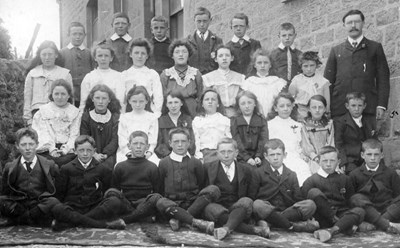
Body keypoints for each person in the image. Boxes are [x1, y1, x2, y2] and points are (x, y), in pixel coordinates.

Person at [324, 9, 390, 124]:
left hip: (367, 108)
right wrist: (327, 106)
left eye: (357, 22)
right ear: (344, 25)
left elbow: (383, 79)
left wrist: (381, 105)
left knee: (367, 142)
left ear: (363, 23)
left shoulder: (375, 48)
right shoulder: (336, 51)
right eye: (349, 23)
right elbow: (328, 81)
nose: (353, 26)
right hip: (340, 108)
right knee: (341, 141)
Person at [51, 135, 125, 231]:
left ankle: (72, 223)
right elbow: (60, 194)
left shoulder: (103, 169)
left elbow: (107, 192)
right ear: (75, 151)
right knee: (57, 208)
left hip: (94, 208)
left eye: (89, 150)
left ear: (94, 151)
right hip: (73, 207)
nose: (85, 154)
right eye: (81, 150)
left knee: (114, 202)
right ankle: (103, 225)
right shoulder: (66, 168)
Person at [203, 138, 269, 240]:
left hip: (238, 207)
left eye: (229, 151)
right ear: (217, 153)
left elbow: (251, 193)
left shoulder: (246, 169)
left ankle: (226, 228)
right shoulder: (207, 168)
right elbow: (204, 190)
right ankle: (252, 230)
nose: (226, 155)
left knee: (247, 201)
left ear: (236, 153)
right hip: (218, 207)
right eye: (222, 152)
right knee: (209, 208)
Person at [156, 128, 216, 234]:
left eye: (183, 141)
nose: (180, 145)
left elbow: (201, 183)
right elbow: (160, 186)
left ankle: (180, 219)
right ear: (170, 143)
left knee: (213, 189)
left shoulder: (196, 162)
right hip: (173, 206)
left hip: (193, 204)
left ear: (189, 143)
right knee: (160, 201)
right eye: (176, 141)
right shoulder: (163, 163)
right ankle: (195, 221)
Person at [251, 139, 318, 234]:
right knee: (257, 204)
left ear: (285, 155)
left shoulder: (291, 174)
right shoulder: (258, 173)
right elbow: (252, 195)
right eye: (272, 155)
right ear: (266, 156)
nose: (275, 158)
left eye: (278, 154)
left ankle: (272, 223)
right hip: (267, 210)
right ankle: (292, 226)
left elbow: (297, 198)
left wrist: (300, 208)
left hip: (287, 211)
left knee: (310, 204)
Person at [302, 146, 366, 243]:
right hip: (322, 217)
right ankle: (343, 226)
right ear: (318, 161)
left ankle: (331, 231)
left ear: (338, 161)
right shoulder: (311, 181)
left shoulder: (345, 179)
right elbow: (305, 203)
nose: (328, 164)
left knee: (359, 211)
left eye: (332, 161)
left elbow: (350, 200)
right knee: (314, 192)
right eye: (325, 161)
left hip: (341, 214)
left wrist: (350, 214)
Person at [0, 128, 60, 227]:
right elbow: (5, 191)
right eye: (23, 145)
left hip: (39, 205)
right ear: (17, 146)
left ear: (37, 144)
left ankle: (20, 220)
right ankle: (31, 220)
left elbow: (58, 189)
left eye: (31, 144)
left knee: (53, 202)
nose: (28, 148)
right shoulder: (10, 167)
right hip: (19, 205)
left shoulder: (49, 165)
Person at [108, 131, 162, 224]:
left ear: (147, 147)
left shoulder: (152, 167)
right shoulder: (120, 166)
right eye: (135, 143)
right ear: (129, 146)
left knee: (156, 198)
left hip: (144, 203)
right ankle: (139, 216)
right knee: (111, 195)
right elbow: (115, 190)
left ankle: (126, 219)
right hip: (126, 203)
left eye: (142, 144)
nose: (138, 147)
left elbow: (157, 191)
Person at [349, 139, 400, 234]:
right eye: (369, 154)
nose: (372, 158)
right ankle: (386, 225)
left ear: (382, 155)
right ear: (362, 155)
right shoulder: (354, 174)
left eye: (376, 155)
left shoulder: (390, 173)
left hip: (387, 210)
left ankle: (378, 223)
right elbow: (351, 199)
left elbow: (397, 195)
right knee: (355, 198)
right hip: (366, 211)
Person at [32, 79, 79, 167]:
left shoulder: (74, 112)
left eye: (63, 94)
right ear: (52, 95)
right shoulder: (43, 111)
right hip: (46, 149)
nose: (59, 97)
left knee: (68, 164)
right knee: (46, 163)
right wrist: (51, 149)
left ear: (69, 95)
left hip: (68, 150)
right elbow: (42, 133)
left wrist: (65, 149)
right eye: (56, 94)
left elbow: (75, 135)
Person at [23, 40, 73, 125]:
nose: (47, 58)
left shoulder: (65, 74)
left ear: (56, 55)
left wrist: (69, 117)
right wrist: (28, 120)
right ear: (40, 56)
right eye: (44, 54)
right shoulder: (32, 73)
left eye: (50, 54)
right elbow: (27, 98)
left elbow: (70, 98)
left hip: (59, 114)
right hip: (37, 114)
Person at [268, 92, 311, 186]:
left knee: (303, 169)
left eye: (288, 105)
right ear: (276, 108)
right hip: (278, 157)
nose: (285, 109)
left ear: (292, 107)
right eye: (282, 106)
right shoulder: (270, 125)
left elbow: (301, 144)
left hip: (295, 156)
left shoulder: (298, 125)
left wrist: (302, 154)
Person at [334, 92, 377, 174]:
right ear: (347, 106)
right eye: (353, 105)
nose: (357, 109)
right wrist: (343, 162)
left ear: (364, 106)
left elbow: (375, 142)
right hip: (351, 160)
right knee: (357, 176)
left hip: (368, 158)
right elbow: (339, 144)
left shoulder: (369, 121)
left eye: (360, 105)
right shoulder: (341, 122)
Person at [80, 84, 121, 170]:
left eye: (104, 98)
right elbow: (84, 137)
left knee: (107, 167)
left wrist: (106, 154)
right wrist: (94, 154)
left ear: (109, 100)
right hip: (89, 153)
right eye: (97, 98)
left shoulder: (115, 117)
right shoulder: (86, 117)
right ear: (92, 99)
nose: (100, 101)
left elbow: (115, 139)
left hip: (109, 155)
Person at [160, 39, 203, 117]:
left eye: (184, 52)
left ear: (189, 54)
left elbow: (201, 96)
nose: (181, 54)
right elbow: (162, 98)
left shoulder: (196, 73)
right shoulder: (166, 74)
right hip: (173, 111)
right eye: (177, 52)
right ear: (172, 55)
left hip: (192, 112)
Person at [116, 86, 158, 164]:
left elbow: (153, 138)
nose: (138, 104)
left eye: (141, 101)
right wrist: (128, 152)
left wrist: (149, 152)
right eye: (134, 101)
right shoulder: (124, 117)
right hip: (127, 152)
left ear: (146, 101)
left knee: (154, 163)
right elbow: (122, 137)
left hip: (146, 152)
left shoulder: (152, 117)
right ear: (129, 101)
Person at [121, 38, 163, 116]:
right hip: (129, 113)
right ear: (130, 54)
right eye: (136, 53)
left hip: (148, 112)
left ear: (147, 56)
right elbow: (121, 99)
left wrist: (156, 114)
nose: (139, 56)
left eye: (143, 53)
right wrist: (123, 115)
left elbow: (158, 97)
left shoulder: (152, 74)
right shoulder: (124, 75)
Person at [79, 42, 124, 112]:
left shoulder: (118, 76)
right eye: (100, 56)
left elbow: (120, 101)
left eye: (106, 56)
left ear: (111, 58)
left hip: (113, 114)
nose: (103, 58)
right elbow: (83, 103)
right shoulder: (89, 77)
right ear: (95, 58)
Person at [202, 45, 245, 117]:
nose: (224, 58)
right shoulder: (208, 78)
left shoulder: (240, 77)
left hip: (235, 114)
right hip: (216, 114)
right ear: (216, 59)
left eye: (227, 55)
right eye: (221, 56)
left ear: (232, 58)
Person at [243, 49, 287, 119]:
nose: (262, 66)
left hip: (274, 117)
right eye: (259, 63)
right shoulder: (248, 83)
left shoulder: (278, 82)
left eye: (266, 62)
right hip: (254, 118)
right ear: (254, 65)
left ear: (270, 65)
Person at [288, 51, 330, 121]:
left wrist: (326, 115)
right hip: (301, 115)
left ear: (316, 65)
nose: (309, 69)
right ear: (301, 66)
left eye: (312, 65)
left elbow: (327, 103)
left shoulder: (323, 81)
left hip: (318, 114)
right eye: (305, 66)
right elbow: (290, 99)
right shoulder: (296, 80)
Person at [192, 89, 231, 164]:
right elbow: (196, 140)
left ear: (218, 104)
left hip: (221, 153)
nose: (210, 102)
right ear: (202, 104)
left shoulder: (225, 120)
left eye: (213, 99)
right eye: (207, 99)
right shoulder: (197, 121)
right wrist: (199, 156)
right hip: (204, 154)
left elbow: (229, 139)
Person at [60, 22, 93, 107]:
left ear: (84, 35)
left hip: (86, 92)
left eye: (80, 34)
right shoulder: (62, 53)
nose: (77, 37)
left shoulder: (89, 53)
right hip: (68, 93)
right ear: (68, 35)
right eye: (74, 34)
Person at [231, 91, 268, 167]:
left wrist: (258, 155)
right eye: (243, 103)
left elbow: (263, 139)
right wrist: (247, 158)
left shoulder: (261, 120)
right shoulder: (235, 120)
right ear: (239, 106)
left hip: (259, 156)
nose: (247, 106)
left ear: (255, 104)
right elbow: (236, 140)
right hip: (241, 156)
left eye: (249, 103)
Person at [155, 90, 195, 159]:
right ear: (166, 104)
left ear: (181, 103)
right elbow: (159, 144)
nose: (173, 106)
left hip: (186, 156)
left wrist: (183, 154)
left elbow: (192, 141)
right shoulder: (160, 121)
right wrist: (170, 156)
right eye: (170, 103)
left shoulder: (188, 119)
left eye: (176, 102)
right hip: (166, 157)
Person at [301, 95, 335, 174]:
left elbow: (330, 142)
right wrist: (315, 157)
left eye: (320, 107)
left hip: (327, 156)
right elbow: (306, 144)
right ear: (309, 109)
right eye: (314, 107)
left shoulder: (329, 124)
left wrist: (325, 157)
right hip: (311, 157)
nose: (317, 110)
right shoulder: (304, 124)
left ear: (325, 109)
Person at [187, 7, 223, 75]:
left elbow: (221, 63)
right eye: (199, 21)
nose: (202, 24)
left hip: (212, 79)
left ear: (210, 20)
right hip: (194, 79)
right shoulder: (188, 42)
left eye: (205, 21)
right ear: (194, 20)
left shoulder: (217, 41)